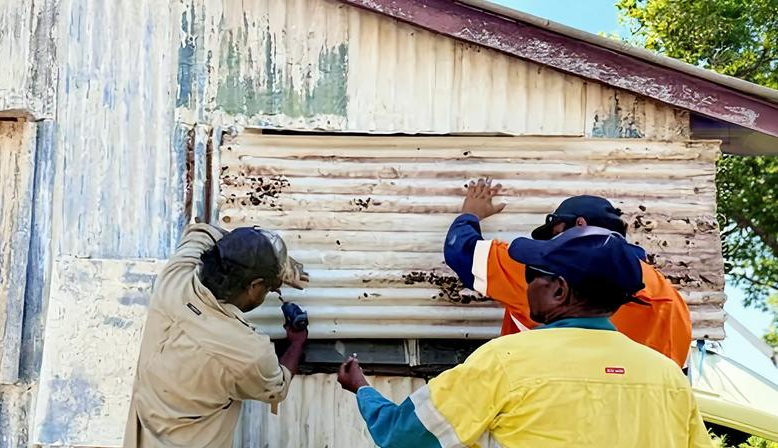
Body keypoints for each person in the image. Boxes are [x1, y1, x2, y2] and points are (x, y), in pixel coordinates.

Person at [338, 226, 713, 448]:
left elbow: (403, 437)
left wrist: (363, 390)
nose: (526, 282)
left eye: (532, 273)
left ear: (560, 291)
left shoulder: (505, 361)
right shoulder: (667, 378)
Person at [444, 178, 692, 368]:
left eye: (555, 233)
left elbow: (462, 252)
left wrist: (470, 215)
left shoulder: (552, 268)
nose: (551, 245)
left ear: (580, 224)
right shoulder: (670, 299)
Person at [124, 223, 309, 448]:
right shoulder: (247, 352)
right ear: (254, 286)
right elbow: (277, 388)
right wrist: (296, 343)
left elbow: (200, 231)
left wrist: (268, 262)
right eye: (269, 287)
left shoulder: (175, 279)